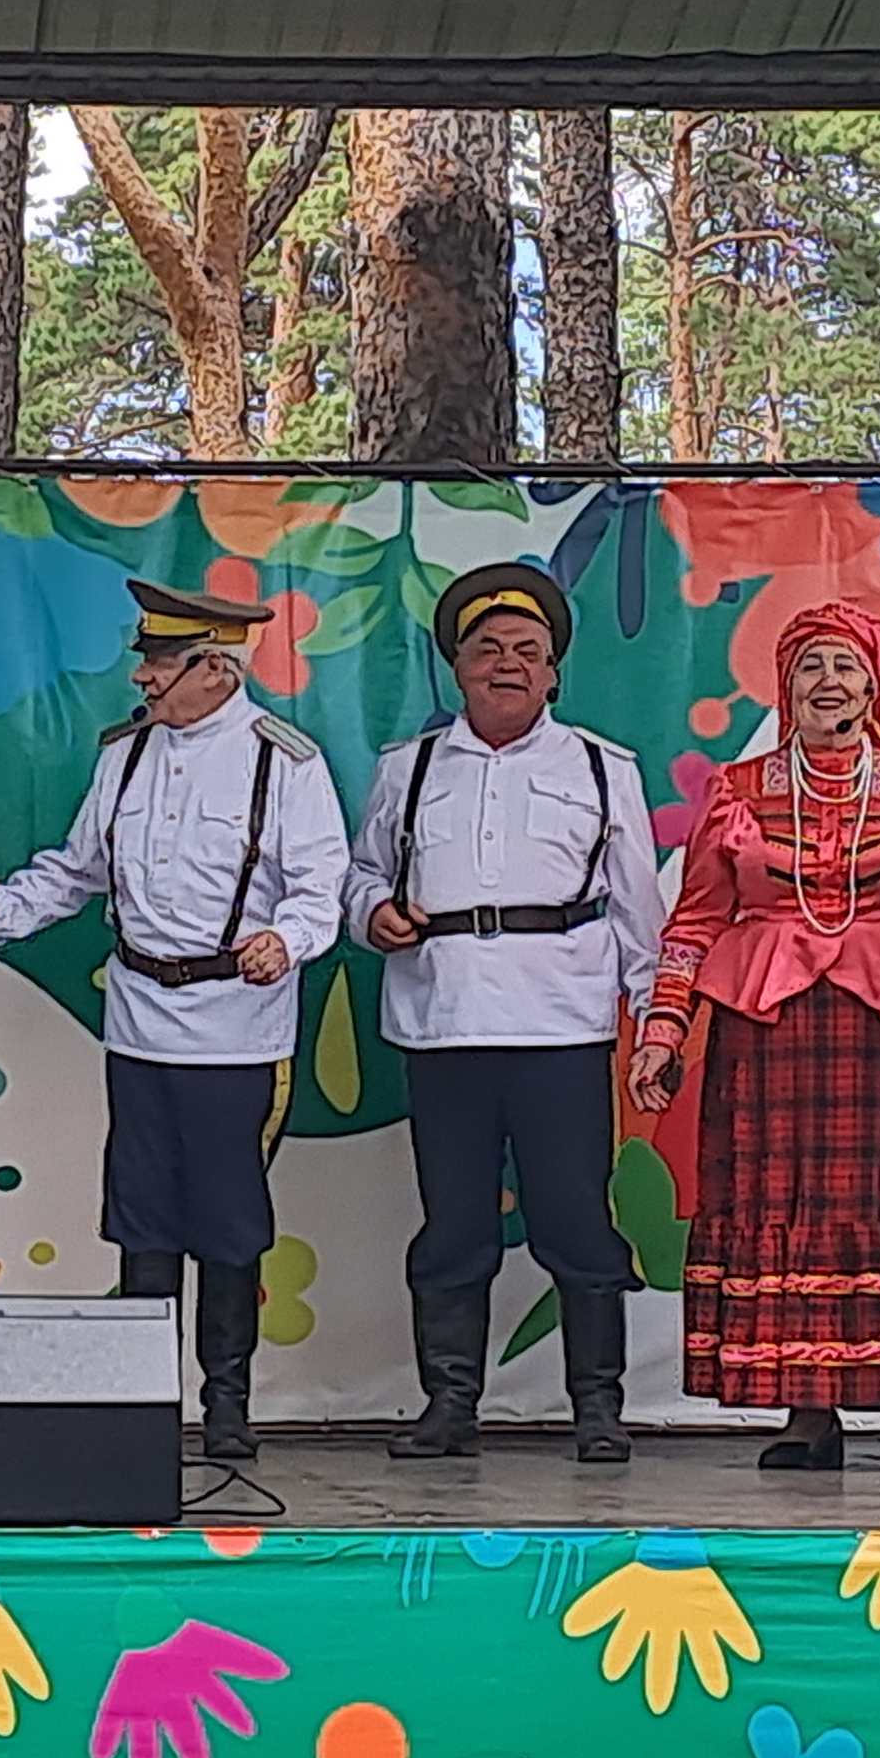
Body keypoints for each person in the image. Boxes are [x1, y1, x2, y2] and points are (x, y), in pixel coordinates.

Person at [0, 580, 346, 1462]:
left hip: (237, 1030)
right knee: (141, 1218)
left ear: (217, 668)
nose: (143, 677)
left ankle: (228, 1404)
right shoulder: (125, 755)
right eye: (146, 659)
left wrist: (284, 940)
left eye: (161, 662)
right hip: (137, 1023)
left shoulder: (284, 763)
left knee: (229, 1224)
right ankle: (144, 1402)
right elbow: (75, 870)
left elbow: (323, 889)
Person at [627, 602, 880, 1473]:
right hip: (769, 1027)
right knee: (783, 1204)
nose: (829, 683)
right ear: (786, 688)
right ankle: (805, 1408)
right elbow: (695, 919)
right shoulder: (739, 791)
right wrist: (663, 1030)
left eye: (845, 666)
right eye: (810, 667)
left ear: (875, 685)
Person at [346, 562, 660, 1464]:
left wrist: (654, 1021)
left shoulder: (601, 767)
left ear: (554, 672)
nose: (507, 664)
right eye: (487, 649)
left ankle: (597, 1406)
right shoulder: (408, 769)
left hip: (560, 1028)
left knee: (575, 1219)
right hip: (443, 1025)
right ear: (458, 668)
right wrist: (373, 916)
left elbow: (638, 910)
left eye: (528, 650)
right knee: (453, 1225)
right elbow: (361, 877)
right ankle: (449, 1405)